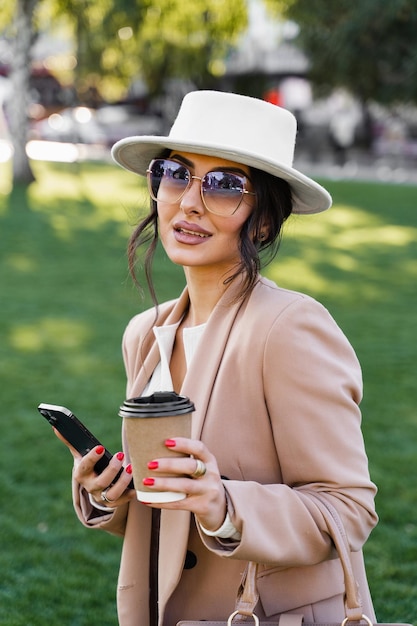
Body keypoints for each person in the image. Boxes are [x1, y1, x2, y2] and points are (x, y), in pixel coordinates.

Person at [63, 91, 378, 626]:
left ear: (261, 222)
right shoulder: (145, 334)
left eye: (225, 185)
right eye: (177, 174)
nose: (189, 203)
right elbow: (166, 516)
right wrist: (109, 493)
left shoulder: (290, 329)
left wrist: (225, 504)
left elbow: (348, 512)